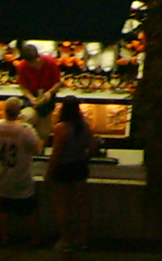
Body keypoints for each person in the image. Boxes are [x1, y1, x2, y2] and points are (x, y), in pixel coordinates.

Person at [0, 96, 42, 248]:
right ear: (19, 112)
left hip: (2, 176)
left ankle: (5, 237)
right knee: (29, 210)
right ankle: (35, 238)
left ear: (4, 111)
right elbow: (36, 149)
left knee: (2, 210)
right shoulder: (25, 130)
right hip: (22, 176)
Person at [44, 95, 97, 252]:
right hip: (79, 167)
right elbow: (93, 146)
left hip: (63, 169)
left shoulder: (61, 128)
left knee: (63, 206)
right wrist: (84, 159)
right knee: (81, 206)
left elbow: (57, 153)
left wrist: (49, 172)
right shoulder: (85, 126)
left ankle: (66, 240)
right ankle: (82, 239)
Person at [16, 43, 61, 146]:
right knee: (27, 117)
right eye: (30, 64)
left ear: (38, 57)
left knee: (44, 132)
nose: (33, 66)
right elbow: (23, 86)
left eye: (35, 63)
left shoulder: (50, 62)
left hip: (46, 99)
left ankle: (40, 148)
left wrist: (50, 92)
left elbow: (58, 82)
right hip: (32, 98)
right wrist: (31, 97)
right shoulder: (22, 66)